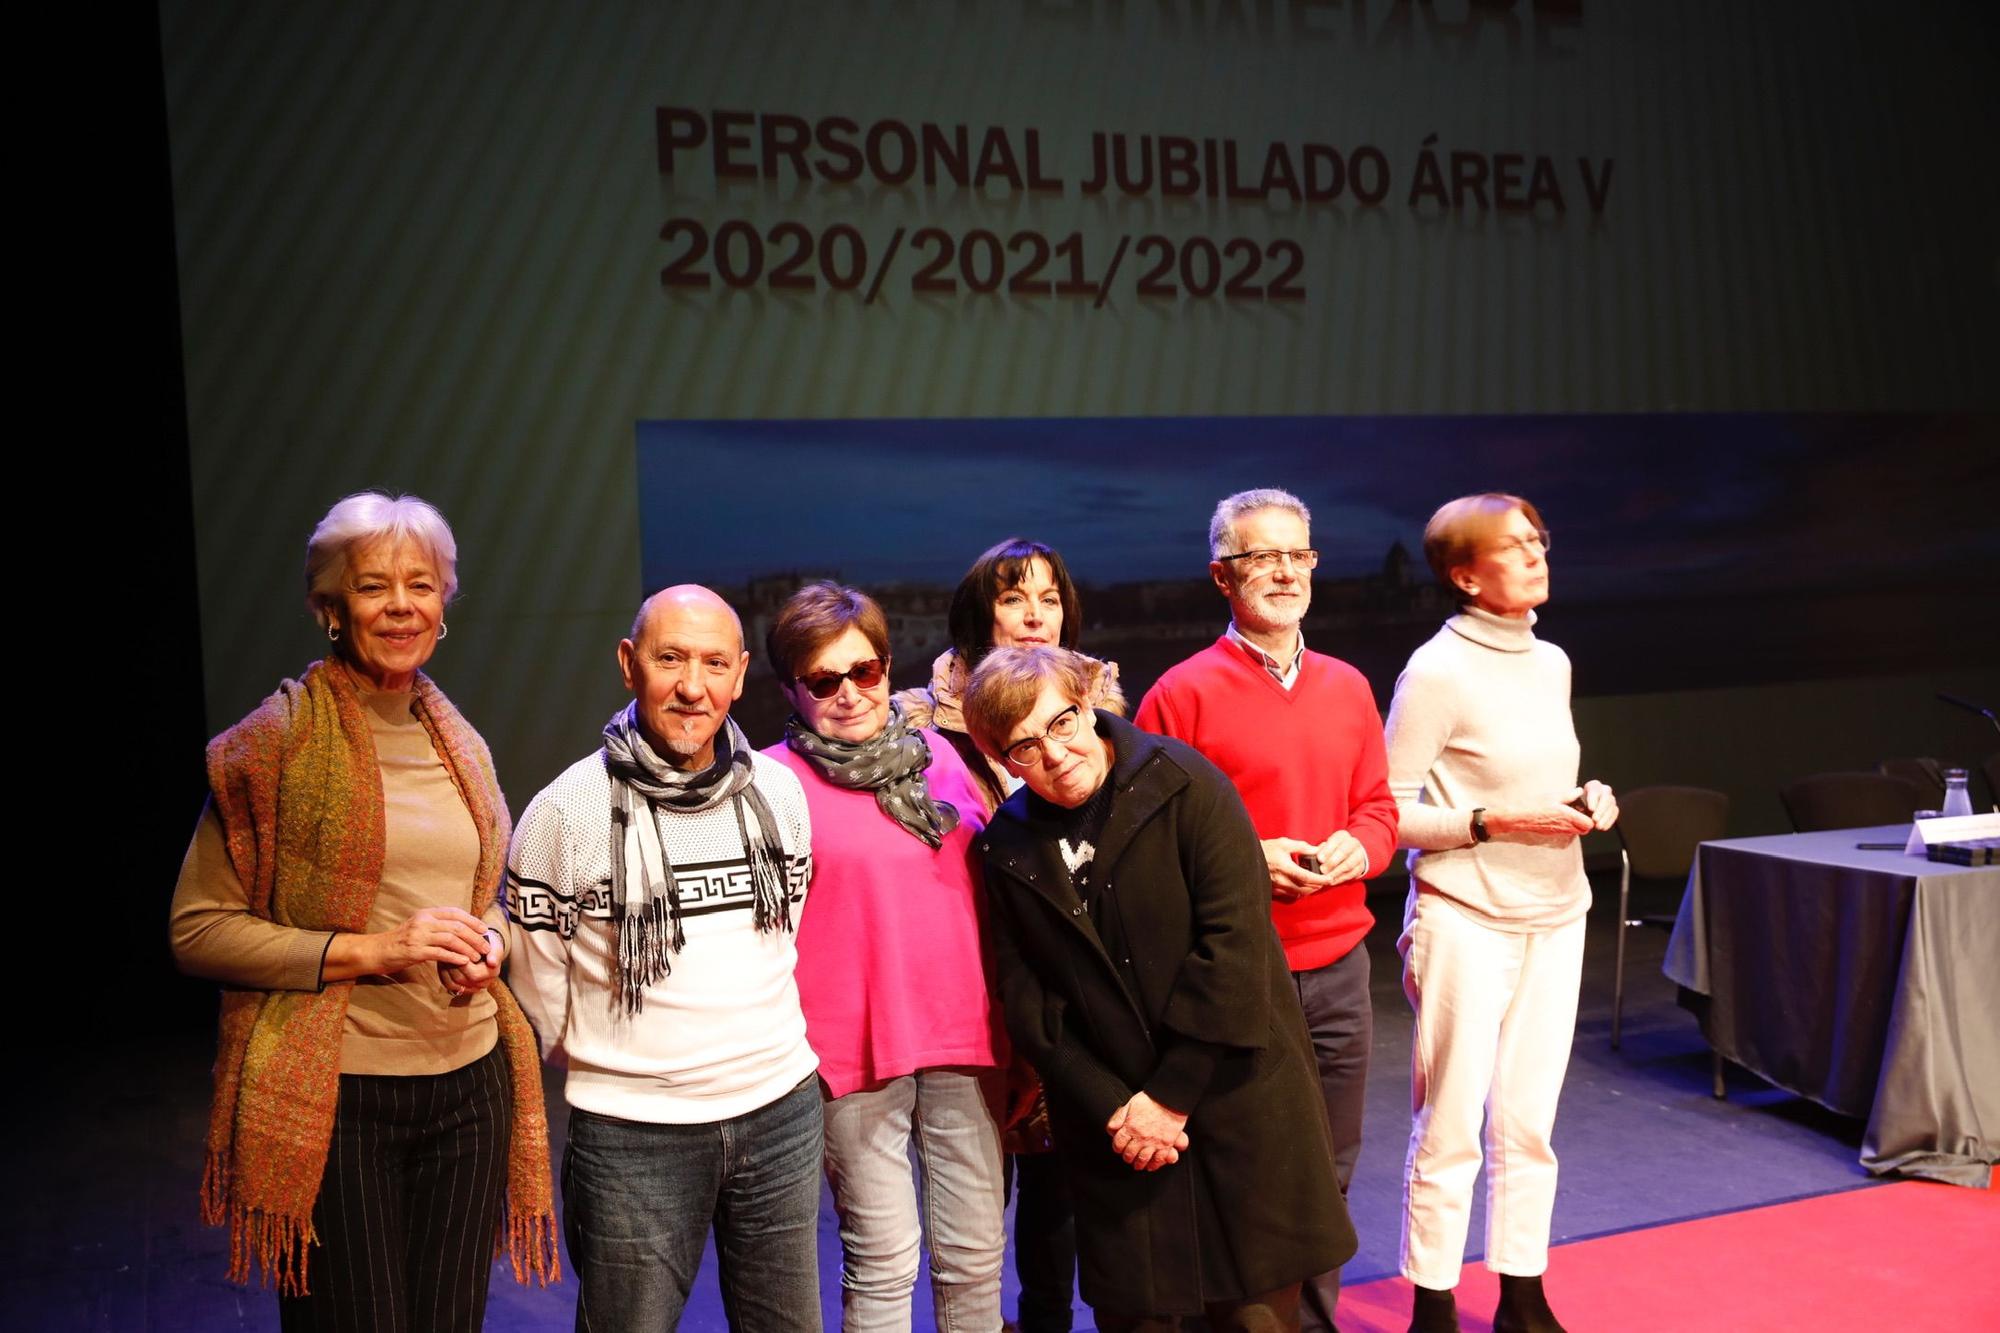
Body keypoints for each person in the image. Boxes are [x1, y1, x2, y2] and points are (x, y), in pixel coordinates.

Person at [170, 491, 558, 1331]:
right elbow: (196, 929)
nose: (401, 605)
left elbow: (488, 893)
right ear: (330, 608)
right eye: (375, 585)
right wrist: (374, 949)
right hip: (340, 1094)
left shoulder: (458, 738)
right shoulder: (274, 743)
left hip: (470, 1086)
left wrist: (489, 938)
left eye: (420, 584)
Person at [964, 646, 1357, 1331]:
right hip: (1118, 1134)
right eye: (1024, 746)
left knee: (1255, 1321)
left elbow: (1234, 952)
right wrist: (1120, 1109)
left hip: (1239, 1102)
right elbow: (1032, 1004)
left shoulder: (1186, 784)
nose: (1054, 754)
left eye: (1062, 723)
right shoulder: (1007, 846)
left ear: (1087, 706)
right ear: (1001, 759)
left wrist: (1169, 1097)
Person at [505, 585, 820, 1332]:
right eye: (670, 658)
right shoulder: (566, 809)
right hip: (632, 1131)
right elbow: (537, 977)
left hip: (780, 1111)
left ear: (741, 675)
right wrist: (619, 1063)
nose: (692, 685)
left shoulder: (781, 794)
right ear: (629, 663)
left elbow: (783, 936)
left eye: (715, 663)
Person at [1133, 487, 1397, 1331]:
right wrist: (1250, 862)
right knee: (1246, 1173)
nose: (1285, 571)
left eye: (1299, 554)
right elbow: (1145, 852)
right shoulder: (1179, 696)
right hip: (1240, 976)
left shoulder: (1350, 685)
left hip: (1342, 967)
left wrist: (1365, 843)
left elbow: (1381, 809)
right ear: (1222, 575)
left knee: (1334, 1167)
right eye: (1261, 557)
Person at [1382, 495, 1618, 1333]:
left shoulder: (1550, 661)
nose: (1534, 554)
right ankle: (1434, 1302)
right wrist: (1489, 822)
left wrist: (1585, 800)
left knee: (1529, 1117)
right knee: (1450, 1117)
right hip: (1465, 915)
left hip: (1558, 908)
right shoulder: (1436, 671)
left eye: (1538, 539)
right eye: (1512, 545)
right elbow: (1387, 813)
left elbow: (1534, 778)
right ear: (1463, 575)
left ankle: (1523, 1291)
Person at [763, 581, 1008, 1332]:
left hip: (965, 1037)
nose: (850, 694)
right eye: (824, 680)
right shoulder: (774, 781)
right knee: (884, 1257)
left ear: (887, 662)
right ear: (791, 690)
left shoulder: (937, 753)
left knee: (975, 1254)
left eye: (864, 671)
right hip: (850, 1053)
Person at [895, 537, 1120, 1333]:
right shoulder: (918, 722)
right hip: (975, 975)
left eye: (1050, 597)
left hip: (1079, 972)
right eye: (1013, 597)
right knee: (982, 1195)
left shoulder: (1101, 704)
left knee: (1069, 1186)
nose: (1035, 613)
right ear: (978, 613)